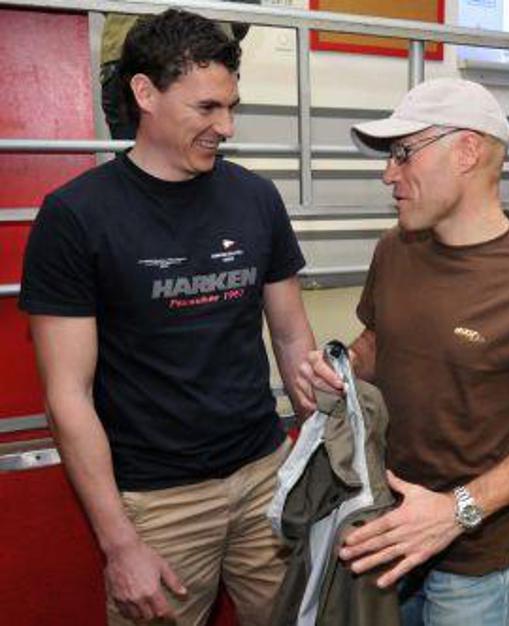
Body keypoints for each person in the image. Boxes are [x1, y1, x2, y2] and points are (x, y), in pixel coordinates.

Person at [19, 10, 332, 625]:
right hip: (157, 502)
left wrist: (318, 455)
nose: (227, 127)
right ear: (145, 93)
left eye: (231, 107)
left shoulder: (256, 198)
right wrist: (119, 543)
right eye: (207, 108)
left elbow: (292, 334)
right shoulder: (76, 216)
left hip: (264, 472)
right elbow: (68, 396)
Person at [308, 78, 509, 626]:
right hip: (383, 529)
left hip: (473, 558)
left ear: (467, 151)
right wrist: (341, 366)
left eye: (403, 153)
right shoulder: (394, 249)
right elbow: (379, 341)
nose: (388, 174)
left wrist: (455, 512)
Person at [99, 0, 258, 139]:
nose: (228, 130)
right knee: (201, 151)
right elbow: (244, 13)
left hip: (126, 46)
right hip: (210, 52)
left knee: (137, 156)